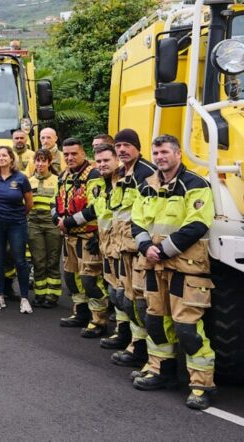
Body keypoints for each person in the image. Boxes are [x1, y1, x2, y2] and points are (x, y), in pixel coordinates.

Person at [130, 135, 215, 410]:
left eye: (165, 152)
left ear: (178, 153)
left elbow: (198, 223)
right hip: (155, 265)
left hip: (184, 268)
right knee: (155, 320)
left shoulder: (196, 184)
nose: (159, 157)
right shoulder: (148, 186)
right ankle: (160, 371)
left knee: (187, 328)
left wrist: (163, 249)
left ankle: (201, 385)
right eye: (156, 153)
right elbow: (136, 220)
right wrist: (145, 246)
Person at [109, 128, 157, 368]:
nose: (122, 150)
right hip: (123, 247)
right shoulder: (122, 173)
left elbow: (150, 213)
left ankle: (145, 350)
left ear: (137, 147)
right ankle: (136, 343)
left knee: (139, 301)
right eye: (118, 146)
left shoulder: (145, 172)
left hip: (138, 248)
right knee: (126, 298)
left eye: (127, 145)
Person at [79, 143, 129, 346]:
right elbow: (98, 213)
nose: (101, 164)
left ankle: (129, 338)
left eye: (106, 160)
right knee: (115, 293)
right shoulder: (100, 184)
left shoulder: (126, 183)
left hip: (124, 249)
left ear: (117, 160)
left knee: (125, 295)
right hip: (107, 246)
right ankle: (121, 333)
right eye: (98, 161)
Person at [54, 138, 106, 331]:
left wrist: (67, 222)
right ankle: (80, 313)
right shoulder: (64, 175)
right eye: (66, 154)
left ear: (84, 153)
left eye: (74, 153)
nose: (69, 157)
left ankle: (99, 319)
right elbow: (56, 201)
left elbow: (95, 208)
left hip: (88, 237)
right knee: (71, 278)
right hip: (69, 237)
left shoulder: (93, 174)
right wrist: (56, 219)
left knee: (90, 280)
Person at [0, 145, 34, 314]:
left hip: (16, 224)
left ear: (11, 158)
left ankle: (25, 298)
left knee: (19, 260)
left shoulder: (21, 178)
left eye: (4, 155)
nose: (1, 158)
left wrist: (18, 215)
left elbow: (29, 203)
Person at [26, 149, 62, 308]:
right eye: (37, 160)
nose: (40, 164)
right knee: (38, 260)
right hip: (34, 224)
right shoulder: (28, 181)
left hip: (52, 224)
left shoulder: (58, 180)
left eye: (43, 161)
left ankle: (52, 295)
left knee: (52, 260)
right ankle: (40, 294)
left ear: (49, 162)